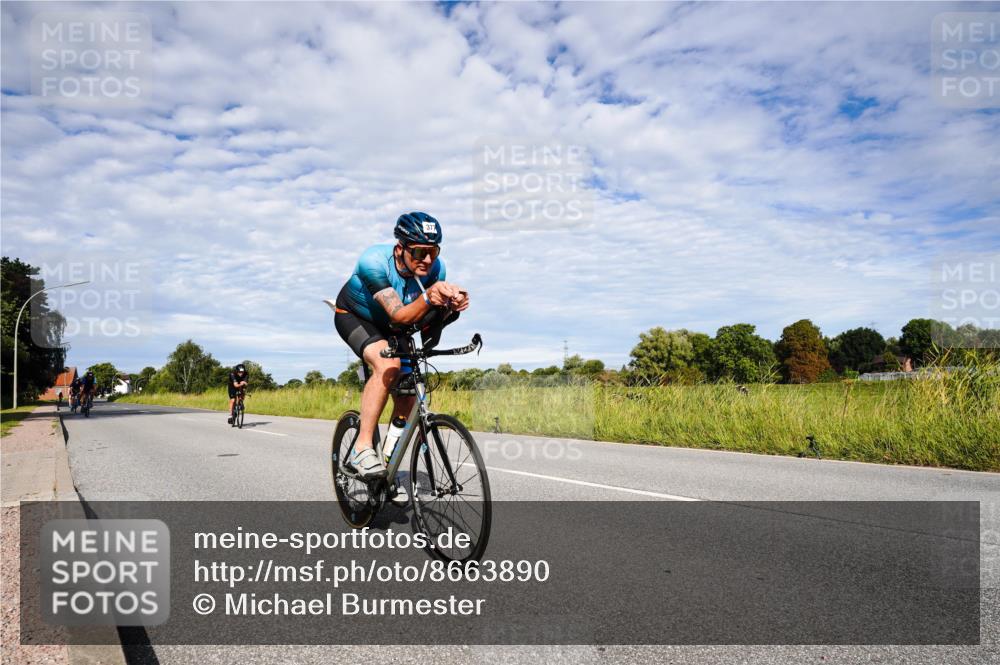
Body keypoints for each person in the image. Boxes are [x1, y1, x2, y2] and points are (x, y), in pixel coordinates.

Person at [333, 212, 469, 489]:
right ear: (400, 249)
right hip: (356, 317)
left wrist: (448, 308)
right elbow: (400, 316)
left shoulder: (435, 269)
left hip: (397, 328)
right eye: (419, 251)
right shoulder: (372, 261)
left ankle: (386, 462)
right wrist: (429, 297)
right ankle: (361, 448)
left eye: (433, 251)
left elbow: (421, 321)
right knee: (389, 365)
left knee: (408, 395)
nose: (428, 260)